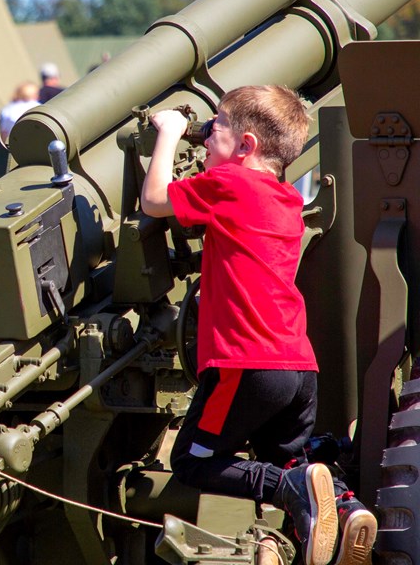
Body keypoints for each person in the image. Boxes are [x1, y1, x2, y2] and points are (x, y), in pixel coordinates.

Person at [140, 85, 377, 565]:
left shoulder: (230, 185)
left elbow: (154, 200)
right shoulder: (287, 199)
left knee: (191, 461)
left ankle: (294, 488)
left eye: (216, 127)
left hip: (243, 364)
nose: (206, 137)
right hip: (297, 370)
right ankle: (346, 508)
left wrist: (169, 133)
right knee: (291, 460)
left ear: (246, 145)